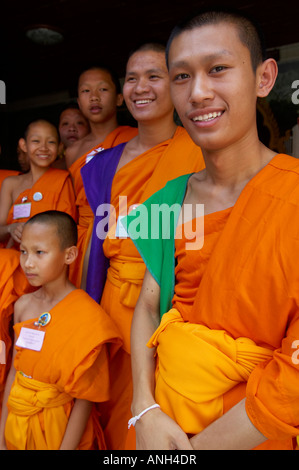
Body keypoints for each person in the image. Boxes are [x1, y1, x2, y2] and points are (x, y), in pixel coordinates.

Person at [124, 8, 299, 450]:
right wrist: (143, 408)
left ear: (264, 78)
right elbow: (148, 305)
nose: (198, 92)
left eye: (218, 69)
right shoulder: (168, 199)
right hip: (160, 427)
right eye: (181, 77)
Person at [81, 42, 205, 449]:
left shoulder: (203, 153)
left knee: (167, 412)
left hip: (177, 304)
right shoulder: (102, 165)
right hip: (114, 303)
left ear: (176, 83)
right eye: (132, 78)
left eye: (155, 76)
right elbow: (94, 246)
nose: (141, 87)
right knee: (115, 412)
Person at [0, 211, 121, 450]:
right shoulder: (23, 305)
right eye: (23, 251)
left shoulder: (88, 316)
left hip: (59, 428)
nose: (28, 262)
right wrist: (2, 436)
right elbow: (15, 372)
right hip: (17, 423)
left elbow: (86, 399)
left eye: (39, 252)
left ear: (70, 255)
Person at [65, 65, 138, 288]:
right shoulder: (73, 152)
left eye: (103, 90)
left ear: (119, 98)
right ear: (78, 101)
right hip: (84, 239)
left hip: (126, 234)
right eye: (86, 91)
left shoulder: (136, 138)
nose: (94, 97)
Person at [0, 119, 77, 249]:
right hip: (15, 259)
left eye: (51, 142)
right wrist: (10, 229)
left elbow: (69, 231)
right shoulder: (11, 183)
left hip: (49, 259)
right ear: (23, 145)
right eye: (36, 141)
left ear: (59, 148)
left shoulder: (64, 180)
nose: (44, 148)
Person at [52, 105, 90, 170]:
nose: (72, 128)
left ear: (89, 128)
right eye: (65, 123)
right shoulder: (52, 169)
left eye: (79, 123)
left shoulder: (97, 160)